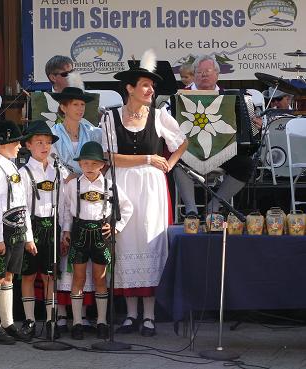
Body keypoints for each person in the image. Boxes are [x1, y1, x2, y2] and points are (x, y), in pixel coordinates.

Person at [102, 51, 188, 336]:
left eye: (152, 86)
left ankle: (149, 315)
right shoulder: (111, 117)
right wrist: (150, 159)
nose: (151, 90)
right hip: (123, 183)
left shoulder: (160, 116)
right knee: (125, 241)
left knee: (150, 242)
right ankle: (129, 315)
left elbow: (182, 143)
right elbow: (110, 157)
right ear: (130, 88)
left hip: (152, 187)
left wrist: (167, 166)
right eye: (145, 85)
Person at [172, 54, 262, 216]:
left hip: (222, 152)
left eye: (208, 71)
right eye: (199, 72)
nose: (204, 75)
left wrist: (256, 126)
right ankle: (191, 210)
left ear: (217, 74)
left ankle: (214, 206)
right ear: (194, 75)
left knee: (246, 165)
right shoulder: (178, 96)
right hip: (190, 152)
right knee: (177, 161)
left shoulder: (231, 97)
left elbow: (250, 129)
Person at [62, 141, 133, 340]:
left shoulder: (110, 186)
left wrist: (116, 227)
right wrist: (66, 230)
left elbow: (127, 208)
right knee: (78, 278)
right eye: (85, 163)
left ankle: (102, 321)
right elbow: (67, 210)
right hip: (80, 232)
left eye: (93, 164)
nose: (89, 167)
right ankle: (77, 322)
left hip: (101, 234)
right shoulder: (73, 185)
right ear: (80, 164)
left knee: (100, 278)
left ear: (102, 165)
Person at [0, 120, 37, 345]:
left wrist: (28, 236)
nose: (20, 146)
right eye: (17, 142)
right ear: (4, 143)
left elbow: (23, 204)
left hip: (17, 229)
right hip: (1, 230)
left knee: (9, 275)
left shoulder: (12, 166)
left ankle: (7, 322)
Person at [49, 86, 102, 332]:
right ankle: (60, 312)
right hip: (61, 194)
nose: (80, 109)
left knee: (85, 258)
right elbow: (51, 162)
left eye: (82, 105)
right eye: (75, 105)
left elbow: (102, 159)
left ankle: (85, 313)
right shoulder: (53, 133)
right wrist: (69, 176)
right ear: (63, 107)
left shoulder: (93, 131)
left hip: (87, 196)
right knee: (63, 251)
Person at [18, 120, 62, 340]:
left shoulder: (57, 172)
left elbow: (62, 204)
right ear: (28, 145)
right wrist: (27, 237)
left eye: (48, 143)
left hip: (51, 225)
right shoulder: (24, 173)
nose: (45, 147)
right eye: (39, 142)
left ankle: (51, 320)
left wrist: (65, 231)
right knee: (29, 274)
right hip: (32, 225)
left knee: (49, 276)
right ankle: (29, 320)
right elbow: (22, 207)